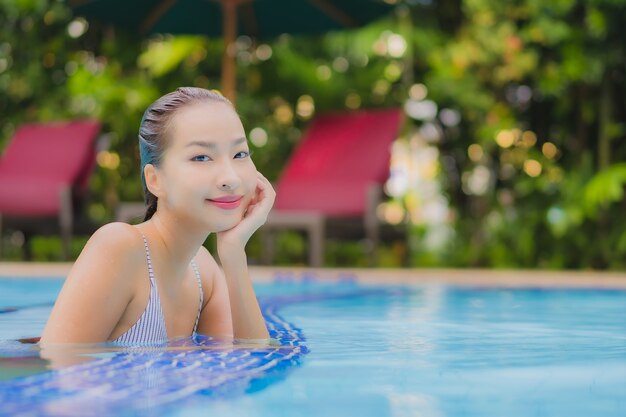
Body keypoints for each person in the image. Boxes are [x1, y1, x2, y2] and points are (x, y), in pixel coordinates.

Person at [40, 87, 273, 346]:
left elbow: (247, 366)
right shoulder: (120, 248)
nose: (230, 178)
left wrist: (234, 254)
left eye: (240, 154)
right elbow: (57, 373)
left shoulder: (204, 272)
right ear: (155, 180)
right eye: (202, 157)